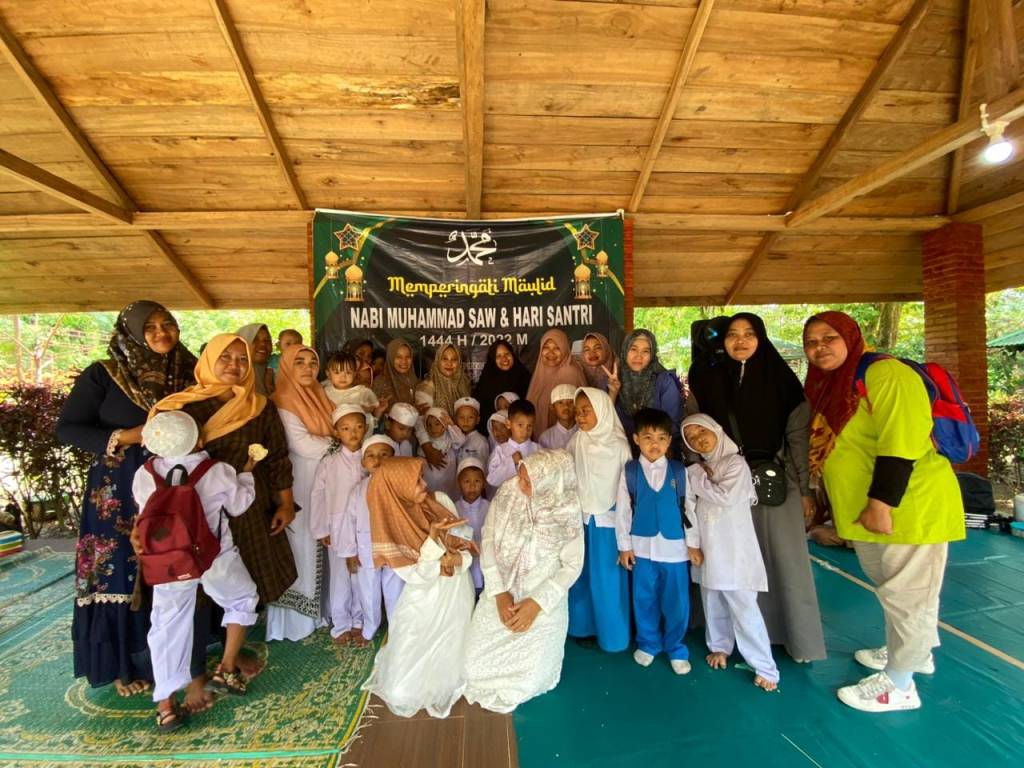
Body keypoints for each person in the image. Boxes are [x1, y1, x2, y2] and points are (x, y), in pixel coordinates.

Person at [803, 311, 965, 713]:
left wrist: (881, 503)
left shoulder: (886, 374)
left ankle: (900, 683)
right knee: (894, 588)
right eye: (811, 341)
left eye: (829, 337)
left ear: (850, 337)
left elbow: (902, 441)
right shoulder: (832, 384)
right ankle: (913, 652)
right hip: (866, 510)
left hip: (907, 505)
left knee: (908, 594)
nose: (819, 347)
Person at [57, 300, 196, 697]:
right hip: (117, 486)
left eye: (166, 323)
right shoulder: (105, 373)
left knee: (173, 556)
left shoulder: (189, 371)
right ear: (131, 331)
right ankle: (124, 665)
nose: (160, 333)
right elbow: (68, 428)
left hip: (173, 479)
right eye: (149, 327)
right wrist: (127, 436)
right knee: (120, 565)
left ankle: (178, 655)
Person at [150, 333, 296, 708]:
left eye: (242, 359)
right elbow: (158, 458)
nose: (235, 365)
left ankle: (228, 660)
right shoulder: (181, 407)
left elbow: (277, 456)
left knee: (243, 584)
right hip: (189, 520)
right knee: (192, 598)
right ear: (208, 360)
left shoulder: (258, 406)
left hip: (244, 509)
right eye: (225, 357)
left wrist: (285, 503)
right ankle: (194, 675)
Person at [687, 312, 826, 663]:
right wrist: (697, 470)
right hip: (722, 483)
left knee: (781, 558)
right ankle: (725, 639)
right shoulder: (706, 377)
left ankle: (788, 637)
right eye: (732, 334)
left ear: (761, 338)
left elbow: (797, 438)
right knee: (722, 561)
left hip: (772, 484)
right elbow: (693, 430)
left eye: (749, 334)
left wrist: (805, 490)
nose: (741, 341)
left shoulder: (781, 380)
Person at [133, 411, 260, 731]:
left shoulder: (144, 474)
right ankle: (226, 668)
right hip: (213, 556)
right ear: (200, 440)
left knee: (166, 625)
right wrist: (247, 474)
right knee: (243, 598)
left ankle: (165, 706)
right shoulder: (216, 470)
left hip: (169, 560)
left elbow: (144, 510)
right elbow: (239, 505)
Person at [462, 450, 585, 712]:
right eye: (521, 476)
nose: (521, 484)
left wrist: (536, 604)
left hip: (542, 600)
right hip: (501, 592)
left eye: (530, 481)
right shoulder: (508, 493)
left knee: (526, 681)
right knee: (472, 668)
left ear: (551, 481)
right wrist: (499, 593)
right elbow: (488, 540)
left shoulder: (566, 507)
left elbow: (572, 565)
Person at [361, 458, 476, 718]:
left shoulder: (440, 501)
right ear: (397, 488)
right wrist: (433, 539)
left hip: (457, 590)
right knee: (402, 689)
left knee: (452, 651)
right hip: (423, 600)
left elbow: (465, 542)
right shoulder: (390, 525)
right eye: (416, 481)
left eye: (422, 477)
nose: (425, 484)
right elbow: (418, 576)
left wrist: (459, 560)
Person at [682, 414, 779, 692]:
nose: (698, 439)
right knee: (712, 600)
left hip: (735, 551)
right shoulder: (698, 469)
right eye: (691, 437)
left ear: (716, 430)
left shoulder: (735, 463)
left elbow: (726, 497)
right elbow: (689, 510)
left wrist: (697, 475)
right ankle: (720, 647)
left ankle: (765, 667)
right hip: (708, 548)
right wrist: (693, 544)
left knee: (744, 608)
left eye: (702, 431)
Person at [266, 344, 336, 641]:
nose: (308, 368)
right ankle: (296, 622)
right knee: (302, 545)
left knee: (321, 542)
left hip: (323, 480)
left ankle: (320, 612)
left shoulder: (321, 397)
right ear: (286, 367)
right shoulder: (282, 399)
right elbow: (302, 444)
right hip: (298, 483)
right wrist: (339, 444)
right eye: (299, 362)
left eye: (312, 362)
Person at [615, 408, 692, 674]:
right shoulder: (630, 471)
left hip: (675, 549)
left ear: (669, 441)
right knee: (644, 598)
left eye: (661, 438)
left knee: (677, 601)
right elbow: (623, 511)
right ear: (636, 439)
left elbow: (690, 509)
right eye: (648, 437)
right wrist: (624, 546)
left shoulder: (679, 471)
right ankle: (648, 643)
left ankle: (676, 647)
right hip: (642, 548)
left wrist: (693, 543)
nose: (654, 444)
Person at [567, 387, 631, 653]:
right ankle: (582, 628)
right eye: (577, 411)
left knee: (607, 579)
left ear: (602, 410)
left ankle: (613, 636)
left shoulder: (619, 446)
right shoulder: (576, 440)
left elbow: (627, 490)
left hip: (609, 522)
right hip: (581, 520)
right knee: (580, 574)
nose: (580, 416)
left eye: (586, 410)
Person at [311, 404, 368, 644]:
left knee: (362, 576)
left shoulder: (370, 458)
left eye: (358, 427)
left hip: (364, 527)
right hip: (336, 527)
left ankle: (360, 621)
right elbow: (317, 495)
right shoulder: (329, 462)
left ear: (366, 428)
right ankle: (341, 623)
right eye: (346, 428)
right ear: (336, 432)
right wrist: (322, 528)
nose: (353, 433)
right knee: (340, 578)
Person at [338, 435, 399, 644]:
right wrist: (350, 552)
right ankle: (370, 627)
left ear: (394, 458)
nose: (377, 459)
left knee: (395, 589)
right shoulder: (358, 490)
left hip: (394, 547)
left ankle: (397, 629)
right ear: (363, 462)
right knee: (368, 591)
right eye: (371, 455)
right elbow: (349, 521)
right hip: (366, 548)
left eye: (384, 454)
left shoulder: (400, 486)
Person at [610, 329, 681, 456]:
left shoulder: (664, 381)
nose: (639, 356)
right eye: (633, 349)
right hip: (622, 453)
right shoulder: (614, 380)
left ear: (652, 355)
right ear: (625, 351)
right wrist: (613, 392)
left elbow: (672, 425)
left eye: (646, 351)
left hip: (659, 453)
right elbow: (605, 421)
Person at [526, 329, 587, 434]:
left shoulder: (571, 373)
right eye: (546, 347)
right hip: (541, 438)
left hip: (570, 435)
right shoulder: (540, 372)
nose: (551, 353)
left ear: (565, 349)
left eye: (557, 348)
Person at [474, 340, 533, 435]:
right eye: (498, 356)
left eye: (507, 354)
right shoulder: (486, 381)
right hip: (492, 436)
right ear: (493, 359)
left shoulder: (524, 378)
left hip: (521, 435)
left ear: (512, 355)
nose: (504, 359)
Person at [321, 351, 388, 423]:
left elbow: (373, 413)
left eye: (348, 372)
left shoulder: (363, 392)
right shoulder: (324, 391)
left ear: (354, 374)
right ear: (328, 374)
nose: (343, 377)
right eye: (337, 372)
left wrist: (376, 410)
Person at [454, 457, 489, 592]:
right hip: (464, 572)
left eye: (477, 481)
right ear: (459, 483)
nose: (472, 486)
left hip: (486, 569)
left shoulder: (490, 507)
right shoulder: (453, 509)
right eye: (467, 481)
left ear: (484, 483)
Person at [486, 400, 539, 488]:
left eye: (529, 426)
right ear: (508, 424)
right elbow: (492, 479)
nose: (525, 431)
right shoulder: (500, 450)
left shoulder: (538, 449)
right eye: (520, 425)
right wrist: (511, 461)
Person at [419, 407, 459, 497]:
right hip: (430, 477)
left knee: (446, 497)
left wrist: (451, 426)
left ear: (444, 425)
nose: (433, 428)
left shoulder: (449, 437)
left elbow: (460, 440)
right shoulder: (425, 441)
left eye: (437, 424)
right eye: (429, 425)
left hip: (447, 475)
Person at [422, 344, 471, 417]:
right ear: (437, 361)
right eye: (445, 359)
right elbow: (423, 420)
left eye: (454, 359)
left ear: (459, 362)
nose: (449, 363)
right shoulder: (426, 387)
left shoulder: (464, 384)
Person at [372, 338, 420, 406]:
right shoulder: (380, 383)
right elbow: (375, 410)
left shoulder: (415, 381)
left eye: (408, 357)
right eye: (398, 357)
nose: (404, 361)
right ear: (390, 358)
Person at [237, 324, 275, 396]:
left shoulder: (277, 368)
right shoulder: (231, 373)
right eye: (255, 339)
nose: (263, 344)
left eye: (267, 340)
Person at [537, 383, 578, 450]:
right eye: (560, 403)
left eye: (571, 402)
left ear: (576, 406)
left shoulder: (585, 433)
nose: (566, 406)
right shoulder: (546, 438)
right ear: (552, 407)